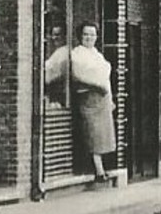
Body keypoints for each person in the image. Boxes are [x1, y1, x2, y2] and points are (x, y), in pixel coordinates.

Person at [46, 20, 116, 183]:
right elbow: (77, 75)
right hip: (88, 97)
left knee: (103, 136)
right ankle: (98, 170)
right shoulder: (77, 53)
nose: (89, 38)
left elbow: (106, 79)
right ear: (80, 36)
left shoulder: (98, 55)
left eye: (92, 34)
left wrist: (110, 98)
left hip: (102, 99)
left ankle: (101, 168)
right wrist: (96, 85)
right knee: (92, 133)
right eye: (85, 34)